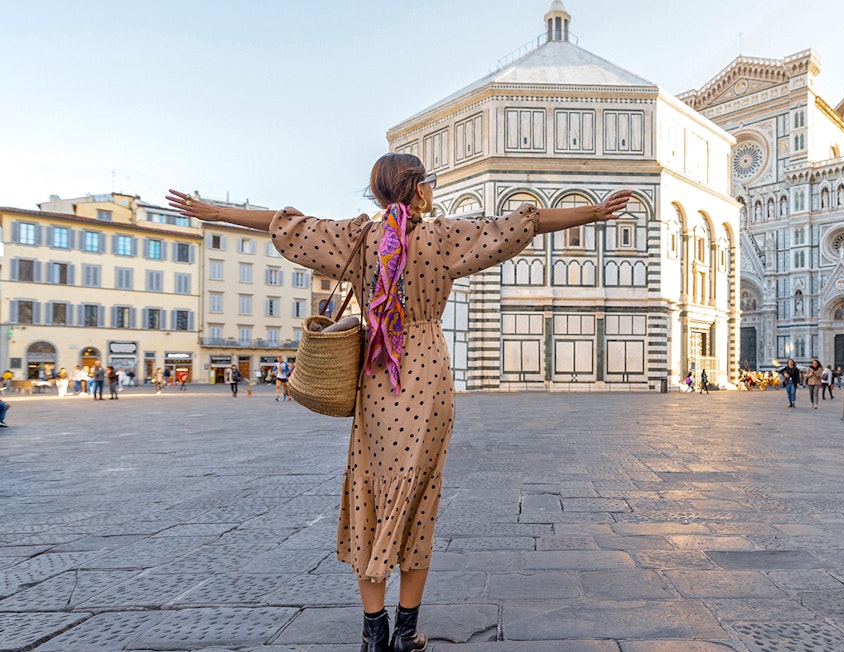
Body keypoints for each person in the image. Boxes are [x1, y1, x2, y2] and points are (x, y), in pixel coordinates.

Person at [168, 153, 631, 652]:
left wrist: (216, 212)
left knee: (371, 488)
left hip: (375, 377)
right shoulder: (443, 236)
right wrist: (594, 212)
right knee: (417, 499)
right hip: (426, 375)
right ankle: (407, 632)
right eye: (430, 182)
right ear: (419, 190)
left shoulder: (358, 236)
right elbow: (525, 223)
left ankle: (374, 633)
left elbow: (288, 225)